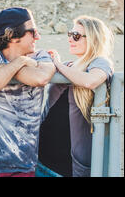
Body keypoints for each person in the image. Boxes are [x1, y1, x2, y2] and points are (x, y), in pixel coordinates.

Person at [0, 7, 56, 177]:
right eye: (32, 32)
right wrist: (21, 62)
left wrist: (2, 70)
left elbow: (41, 78)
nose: (38, 37)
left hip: (23, 164)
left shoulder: (41, 55)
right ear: (13, 36)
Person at [39, 15, 115, 177]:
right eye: (70, 34)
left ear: (93, 39)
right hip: (40, 158)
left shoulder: (100, 62)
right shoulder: (70, 66)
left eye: (77, 36)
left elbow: (90, 81)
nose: (70, 39)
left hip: (69, 167)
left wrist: (57, 64)